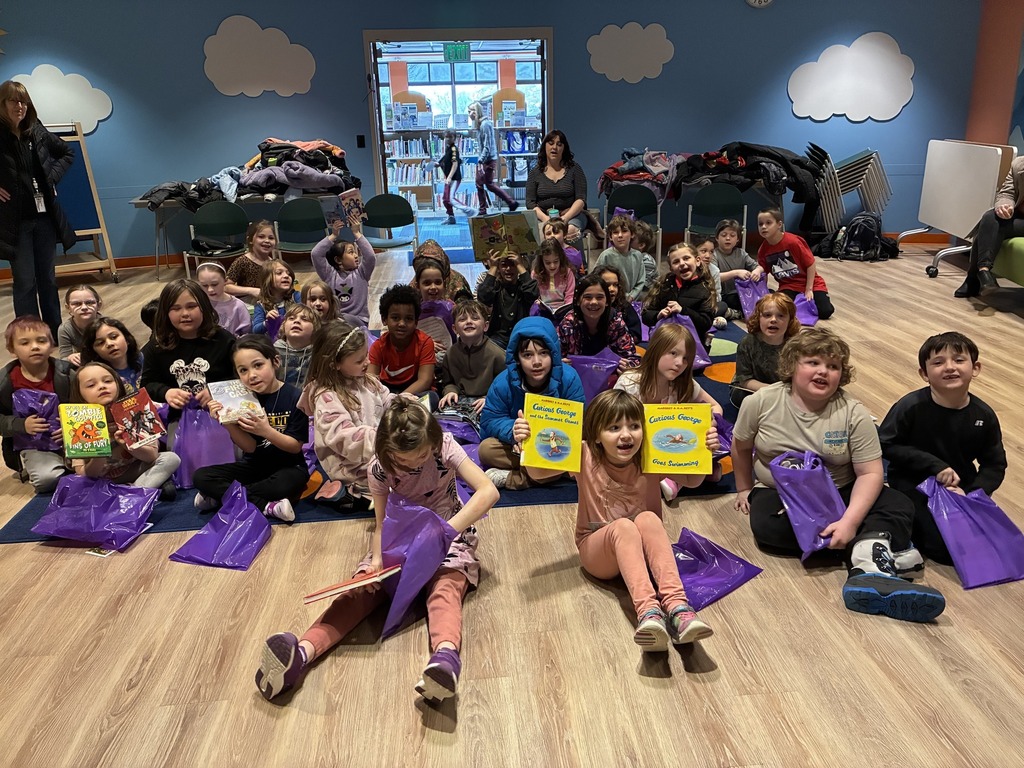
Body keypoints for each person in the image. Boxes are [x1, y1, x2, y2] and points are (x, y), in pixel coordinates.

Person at [254, 399, 499, 703]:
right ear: (387, 451)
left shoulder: (444, 446)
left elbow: (488, 491)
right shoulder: (379, 468)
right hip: (401, 537)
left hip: (448, 534)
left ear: (432, 441)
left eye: (422, 455)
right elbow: (381, 524)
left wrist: (447, 530)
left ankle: (445, 659)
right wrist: (376, 563)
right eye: (404, 460)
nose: (415, 464)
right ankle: (301, 655)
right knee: (359, 592)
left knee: (445, 589)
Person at [731, 328, 946, 623]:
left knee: (898, 503)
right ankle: (875, 551)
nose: (823, 372)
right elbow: (741, 448)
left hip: (841, 490)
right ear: (792, 365)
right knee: (769, 529)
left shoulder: (853, 412)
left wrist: (849, 521)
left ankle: (867, 567)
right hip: (782, 493)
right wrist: (744, 489)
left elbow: (870, 473)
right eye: (813, 363)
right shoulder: (761, 402)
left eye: (833, 366)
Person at [566, 389, 713, 650]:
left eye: (634, 426)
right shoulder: (584, 454)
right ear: (597, 436)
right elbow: (537, 470)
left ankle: (678, 608)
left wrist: (703, 451)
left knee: (647, 518)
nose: (626, 434)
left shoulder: (651, 453)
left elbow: (692, 480)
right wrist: (528, 438)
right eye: (613, 427)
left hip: (642, 550)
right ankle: (648, 613)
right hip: (597, 550)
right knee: (623, 526)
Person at [878, 332, 1006, 564]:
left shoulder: (983, 415)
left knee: (992, 544)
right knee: (943, 550)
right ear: (924, 374)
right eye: (938, 362)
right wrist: (934, 465)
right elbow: (885, 444)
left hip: (960, 488)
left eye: (958, 360)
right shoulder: (910, 406)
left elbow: (994, 464)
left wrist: (973, 495)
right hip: (913, 482)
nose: (949, 367)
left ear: (975, 368)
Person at [193, 335, 310, 521]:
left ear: (275, 362)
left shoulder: (295, 397)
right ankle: (266, 506)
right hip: (254, 466)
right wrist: (226, 422)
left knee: (286, 484)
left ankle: (221, 497)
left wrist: (266, 431)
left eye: (258, 365)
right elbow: (249, 448)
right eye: (243, 370)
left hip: (289, 466)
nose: (252, 375)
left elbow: (295, 446)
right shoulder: (241, 400)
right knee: (201, 477)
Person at [0, 81, 76, 340]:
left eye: (23, 101)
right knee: (24, 282)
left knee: (48, 279)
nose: (19, 106)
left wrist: (50, 178)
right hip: (15, 221)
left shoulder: (37, 130)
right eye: (13, 101)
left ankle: (55, 333)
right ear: (2, 104)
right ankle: (30, 335)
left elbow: (67, 153)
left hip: (44, 219)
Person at [614, 323, 723, 500]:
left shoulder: (682, 384)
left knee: (703, 456)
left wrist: (709, 423)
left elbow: (716, 407)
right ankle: (671, 479)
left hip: (668, 447)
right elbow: (613, 426)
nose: (680, 363)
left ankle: (673, 477)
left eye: (686, 358)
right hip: (635, 450)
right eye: (673, 353)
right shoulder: (629, 384)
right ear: (656, 350)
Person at [479, 317, 584, 489]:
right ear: (517, 358)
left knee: (585, 453)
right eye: (527, 355)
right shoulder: (502, 383)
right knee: (486, 450)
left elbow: (581, 423)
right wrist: (512, 429)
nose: (536, 362)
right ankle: (557, 474)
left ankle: (514, 479)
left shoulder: (569, 378)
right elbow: (490, 420)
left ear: (554, 353)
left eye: (543, 353)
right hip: (521, 447)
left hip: (559, 446)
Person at [300, 320, 395, 503]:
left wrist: (402, 406)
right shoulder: (326, 397)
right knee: (402, 474)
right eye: (359, 360)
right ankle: (347, 493)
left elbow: (385, 399)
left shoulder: (367, 380)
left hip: (377, 447)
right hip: (349, 463)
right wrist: (387, 440)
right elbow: (344, 438)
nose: (367, 362)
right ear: (335, 364)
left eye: (366, 356)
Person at [139, 278, 236, 443]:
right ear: (165, 312)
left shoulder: (223, 340)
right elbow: (147, 384)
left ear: (204, 308)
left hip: (222, 413)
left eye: (191, 306)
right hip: (177, 418)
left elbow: (239, 378)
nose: (185, 314)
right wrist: (166, 392)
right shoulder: (157, 346)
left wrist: (217, 391)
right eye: (175, 308)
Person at [69, 362, 179, 499]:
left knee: (170, 458)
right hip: (102, 481)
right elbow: (84, 475)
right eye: (91, 385)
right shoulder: (77, 424)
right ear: (79, 394)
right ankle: (147, 489)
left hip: (136, 470)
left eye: (108, 381)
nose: (102, 386)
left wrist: (128, 444)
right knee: (81, 486)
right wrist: (99, 453)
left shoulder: (134, 409)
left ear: (117, 384)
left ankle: (132, 493)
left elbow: (151, 457)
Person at [0, 315, 71, 492]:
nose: (35, 347)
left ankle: (71, 466)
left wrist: (72, 428)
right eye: (24, 343)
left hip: (73, 437)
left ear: (52, 345)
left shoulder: (68, 373)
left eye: (41, 340)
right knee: (47, 479)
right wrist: (20, 424)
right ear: (12, 349)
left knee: (106, 466)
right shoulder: (5, 382)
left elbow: (87, 404)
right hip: (34, 444)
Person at [955, 157, 1024, 297]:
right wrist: (1005, 206)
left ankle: (974, 278)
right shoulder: (1019, 164)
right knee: (990, 217)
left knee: (986, 223)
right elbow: (1006, 193)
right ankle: (984, 271)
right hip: (1020, 218)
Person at [756, 207, 834, 320]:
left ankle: (802, 304)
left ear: (779, 224)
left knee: (825, 311)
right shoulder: (763, 250)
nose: (764, 227)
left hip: (811, 284)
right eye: (760, 224)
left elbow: (810, 264)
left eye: (768, 223)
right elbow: (764, 270)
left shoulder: (793, 242)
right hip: (788, 286)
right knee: (780, 310)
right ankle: (799, 306)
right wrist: (762, 287)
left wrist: (809, 289)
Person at [729, 293, 801, 409]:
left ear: (790, 320)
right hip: (752, 389)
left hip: (784, 390)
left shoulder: (795, 346)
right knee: (742, 398)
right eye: (767, 315)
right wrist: (773, 391)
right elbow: (744, 380)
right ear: (758, 318)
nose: (773, 320)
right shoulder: (748, 343)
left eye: (781, 316)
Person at [557, 273, 639, 373]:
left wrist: (627, 367)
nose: (594, 302)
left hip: (609, 380)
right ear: (578, 301)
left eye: (600, 297)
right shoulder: (567, 325)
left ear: (607, 301)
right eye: (588, 297)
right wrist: (561, 365)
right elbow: (555, 359)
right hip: (576, 379)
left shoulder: (616, 323)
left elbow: (633, 358)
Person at [368, 284, 436, 402]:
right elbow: (370, 381)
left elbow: (425, 380)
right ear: (384, 319)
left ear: (416, 322)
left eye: (408, 319)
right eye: (395, 318)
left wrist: (400, 399)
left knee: (432, 397)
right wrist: (389, 399)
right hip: (387, 392)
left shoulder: (425, 342)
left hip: (414, 391)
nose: (402, 324)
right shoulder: (378, 346)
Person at [438, 300, 506, 415]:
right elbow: (448, 382)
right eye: (462, 319)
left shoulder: (497, 354)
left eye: (475, 318)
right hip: (460, 401)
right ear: (455, 329)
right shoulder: (451, 353)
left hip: (488, 401)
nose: (469, 322)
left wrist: (489, 398)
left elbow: (506, 386)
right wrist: (450, 391)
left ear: (485, 326)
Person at [310, 210, 376, 327]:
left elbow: (370, 256)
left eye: (355, 252)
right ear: (338, 260)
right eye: (351, 252)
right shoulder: (329, 275)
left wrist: (356, 233)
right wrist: (333, 235)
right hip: (336, 322)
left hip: (359, 321)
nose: (356, 255)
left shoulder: (362, 273)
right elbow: (316, 254)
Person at [642, 242, 715, 341]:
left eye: (686, 258)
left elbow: (705, 323)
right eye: (676, 262)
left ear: (697, 261)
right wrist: (658, 315)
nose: (681, 263)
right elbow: (646, 315)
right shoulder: (665, 285)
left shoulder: (704, 289)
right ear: (671, 269)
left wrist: (683, 311)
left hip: (691, 341)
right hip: (665, 339)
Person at [526, 129, 589, 239]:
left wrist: (565, 218)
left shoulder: (575, 169)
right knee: (545, 234)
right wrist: (547, 220)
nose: (554, 147)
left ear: (564, 148)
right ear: (544, 146)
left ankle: (573, 256)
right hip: (543, 216)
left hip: (572, 215)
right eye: (551, 143)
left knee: (569, 232)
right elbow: (530, 203)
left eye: (559, 144)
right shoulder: (535, 172)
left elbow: (581, 199)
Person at [477, 250, 539, 350]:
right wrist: (493, 266)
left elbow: (533, 293)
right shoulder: (497, 287)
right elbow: (483, 297)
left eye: (512, 265)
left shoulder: (523, 287)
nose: (508, 269)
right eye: (504, 265)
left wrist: (519, 264)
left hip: (522, 335)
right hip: (498, 337)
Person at [468, 101, 516, 216]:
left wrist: (481, 160)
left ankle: (484, 209)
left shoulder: (485, 125)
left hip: (487, 160)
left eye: (472, 111)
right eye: (469, 111)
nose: (470, 114)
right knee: (486, 184)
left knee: (483, 184)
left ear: (478, 111)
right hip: (485, 159)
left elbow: (487, 146)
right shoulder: (480, 125)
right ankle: (510, 202)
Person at [81, 317, 144, 395]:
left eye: (114, 337)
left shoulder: (142, 358)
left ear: (127, 339)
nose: (109, 344)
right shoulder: (98, 378)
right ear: (94, 351)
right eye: (100, 343)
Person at [713, 218, 761, 318]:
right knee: (736, 301)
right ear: (717, 238)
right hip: (725, 295)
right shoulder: (714, 255)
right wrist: (736, 273)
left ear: (738, 239)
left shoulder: (741, 253)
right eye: (724, 235)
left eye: (732, 235)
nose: (728, 238)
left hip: (744, 292)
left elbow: (757, 267)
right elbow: (713, 277)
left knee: (769, 293)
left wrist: (757, 271)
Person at [594, 215, 645, 301]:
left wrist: (631, 296)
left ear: (632, 234)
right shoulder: (606, 256)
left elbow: (641, 281)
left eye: (624, 231)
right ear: (610, 237)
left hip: (632, 299)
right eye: (615, 232)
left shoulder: (638, 255)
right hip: (610, 299)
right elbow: (595, 278)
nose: (620, 235)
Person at [225, 220, 277, 301]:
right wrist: (251, 291)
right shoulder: (242, 261)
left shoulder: (274, 263)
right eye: (261, 236)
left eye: (271, 238)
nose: (267, 241)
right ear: (250, 240)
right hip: (247, 303)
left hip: (267, 302)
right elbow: (226, 287)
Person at [196, 262, 251, 336]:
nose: (210, 290)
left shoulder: (238, 306)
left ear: (225, 281)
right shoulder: (198, 304)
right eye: (204, 285)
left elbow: (246, 333)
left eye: (214, 284)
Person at [591, 264, 642, 344]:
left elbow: (636, 336)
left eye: (615, 285)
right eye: (607, 285)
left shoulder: (624, 307)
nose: (612, 289)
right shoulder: (589, 308)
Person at [274, 303, 320, 388]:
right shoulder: (273, 351)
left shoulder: (318, 354)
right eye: (291, 318)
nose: (297, 321)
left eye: (304, 319)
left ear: (315, 328)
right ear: (283, 325)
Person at [57, 285, 103, 367]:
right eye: (77, 304)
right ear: (68, 308)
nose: (84, 307)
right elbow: (63, 358)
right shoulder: (65, 329)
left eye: (89, 303)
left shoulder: (107, 325)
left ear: (98, 305)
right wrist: (70, 358)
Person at [252, 259, 300, 336]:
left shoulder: (296, 296)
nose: (286, 276)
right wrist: (267, 322)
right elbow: (256, 330)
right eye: (279, 273)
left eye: (289, 274)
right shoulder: (261, 305)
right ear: (267, 280)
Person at [693, 234, 729, 330]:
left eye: (711, 252)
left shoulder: (715, 271)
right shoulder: (688, 268)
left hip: (706, 306)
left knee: (722, 305)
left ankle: (702, 318)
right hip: (689, 304)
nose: (708, 256)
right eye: (703, 251)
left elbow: (717, 295)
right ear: (693, 251)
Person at [533, 238, 575, 315]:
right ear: (542, 261)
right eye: (548, 263)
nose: (552, 266)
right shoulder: (536, 274)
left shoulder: (567, 272)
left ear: (560, 259)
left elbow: (570, 295)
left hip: (562, 310)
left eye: (556, 261)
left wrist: (566, 308)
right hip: (542, 310)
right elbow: (533, 295)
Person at [437, 130, 462, 225]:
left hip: (454, 178)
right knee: (445, 199)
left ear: (455, 138)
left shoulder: (454, 149)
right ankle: (451, 217)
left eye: (450, 137)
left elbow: (455, 164)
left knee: (449, 199)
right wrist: (437, 164)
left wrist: (449, 177)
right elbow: (444, 159)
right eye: (446, 137)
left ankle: (469, 210)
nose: (448, 139)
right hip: (449, 178)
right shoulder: (448, 148)